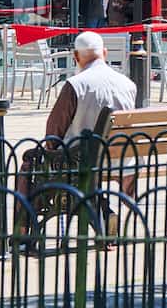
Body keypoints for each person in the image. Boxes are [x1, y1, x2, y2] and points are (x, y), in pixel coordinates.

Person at [17, 31, 137, 251]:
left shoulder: (75, 85)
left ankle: (23, 230)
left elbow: (54, 131)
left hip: (79, 162)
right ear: (105, 53)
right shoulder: (128, 84)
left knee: (28, 163)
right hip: (121, 162)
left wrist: (49, 151)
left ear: (75, 57)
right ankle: (105, 213)